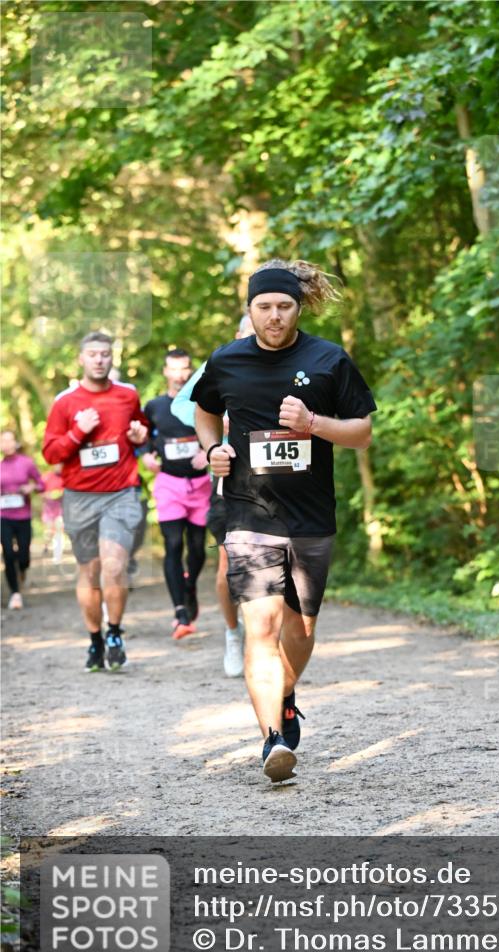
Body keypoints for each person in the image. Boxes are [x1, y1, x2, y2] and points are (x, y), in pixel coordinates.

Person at [193, 259, 376, 782]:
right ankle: (272, 736)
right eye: (264, 307)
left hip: (312, 516)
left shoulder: (328, 359)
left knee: (301, 627)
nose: (274, 316)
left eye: (284, 306)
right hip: (249, 513)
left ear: (299, 308)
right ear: (249, 310)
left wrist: (313, 424)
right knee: (262, 627)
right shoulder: (226, 361)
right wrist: (213, 451)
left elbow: (362, 432)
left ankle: (286, 692)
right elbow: (205, 411)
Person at [42, 331, 148, 671]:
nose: (99, 359)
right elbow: (50, 453)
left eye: (105, 354)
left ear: (112, 358)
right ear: (82, 359)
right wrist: (77, 432)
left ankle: (114, 633)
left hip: (121, 492)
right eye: (93, 354)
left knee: (114, 565)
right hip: (80, 497)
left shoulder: (127, 395)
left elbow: (141, 429)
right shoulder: (65, 402)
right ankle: (94, 640)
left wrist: (140, 435)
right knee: (89, 571)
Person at [172, 314, 255, 674]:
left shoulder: (289, 361)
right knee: (227, 567)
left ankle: (265, 639)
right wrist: (215, 421)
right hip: (229, 479)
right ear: (238, 334)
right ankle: (233, 634)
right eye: (251, 331)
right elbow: (181, 406)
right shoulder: (222, 363)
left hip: (278, 480)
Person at [142, 349, 210, 639]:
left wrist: (209, 451)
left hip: (200, 485)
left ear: (191, 371)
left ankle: (190, 583)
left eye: (185, 369)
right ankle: (180, 611)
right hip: (169, 484)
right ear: (165, 372)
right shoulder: (155, 406)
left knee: (196, 548)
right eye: (174, 369)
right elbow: (141, 437)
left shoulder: (203, 402)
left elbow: (219, 430)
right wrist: (144, 454)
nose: (180, 375)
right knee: (172, 544)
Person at [1, 429, 45, 609]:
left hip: (23, 516)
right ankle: (15, 593)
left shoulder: (26, 463)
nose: (7, 444)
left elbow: (41, 484)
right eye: (3, 441)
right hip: (3, 516)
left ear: (15, 443)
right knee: (8, 554)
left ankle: (23, 570)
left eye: (9, 440)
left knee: (23, 555)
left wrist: (30, 487)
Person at [41, 463, 65, 562]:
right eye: (57, 465)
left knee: (59, 530)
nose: (58, 467)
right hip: (48, 509)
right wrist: (47, 495)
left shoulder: (66, 477)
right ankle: (46, 545)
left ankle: (57, 554)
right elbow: (40, 491)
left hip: (60, 509)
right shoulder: (46, 477)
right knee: (49, 530)